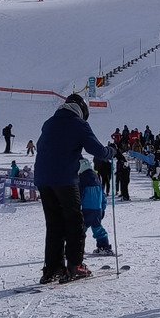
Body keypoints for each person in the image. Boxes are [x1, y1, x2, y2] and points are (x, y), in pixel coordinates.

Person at [33, 94, 111, 284]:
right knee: (75, 220)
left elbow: (41, 146)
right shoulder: (78, 124)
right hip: (65, 179)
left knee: (54, 223)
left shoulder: (49, 123)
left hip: (43, 178)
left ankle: (52, 268)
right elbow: (98, 150)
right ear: (81, 110)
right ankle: (75, 265)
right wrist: (111, 152)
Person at [77, 161, 114, 255]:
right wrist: (102, 209)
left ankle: (77, 249)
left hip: (86, 209)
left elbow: (79, 195)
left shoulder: (81, 179)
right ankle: (104, 246)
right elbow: (103, 196)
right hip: (97, 210)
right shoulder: (97, 179)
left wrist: (76, 207)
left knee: (80, 229)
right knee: (97, 228)